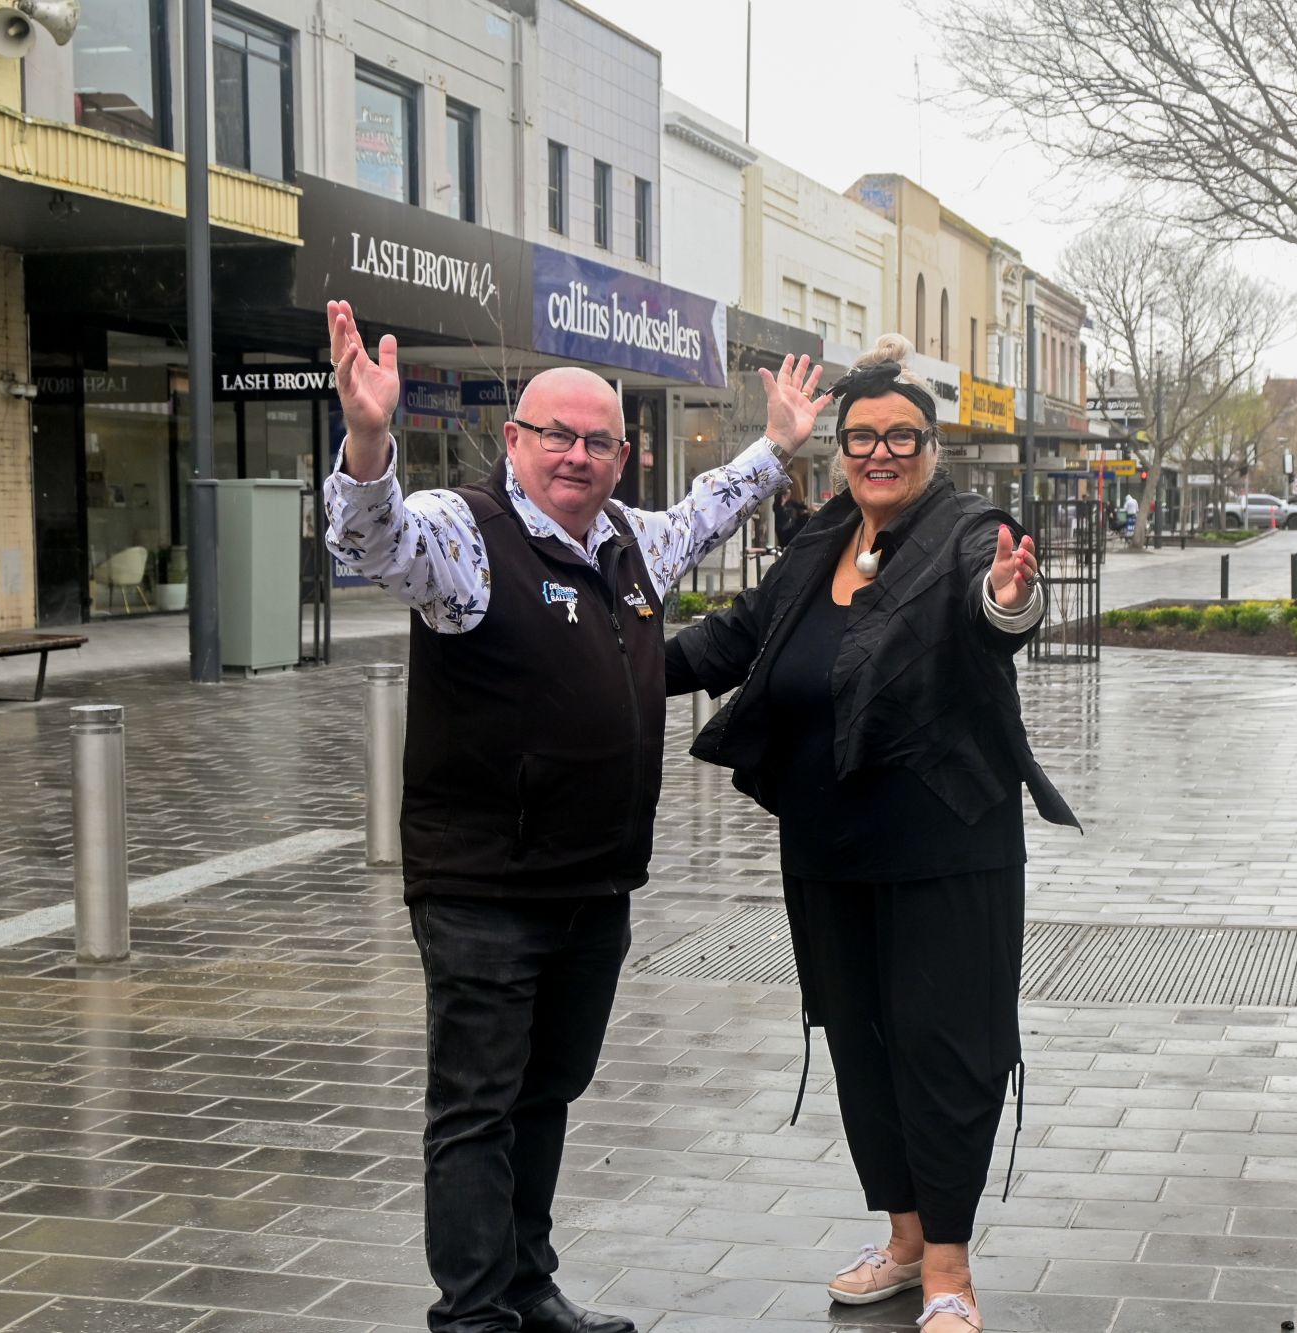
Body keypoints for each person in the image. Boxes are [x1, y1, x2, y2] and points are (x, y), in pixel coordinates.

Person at [322, 299, 828, 1333]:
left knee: (546, 1090)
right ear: (514, 440)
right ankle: (471, 1315)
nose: (577, 454)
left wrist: (774, 447)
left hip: (594, 884)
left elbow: (704, 508)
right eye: (555, 434)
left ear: (621, 456)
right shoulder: (467, 535)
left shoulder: (626, 544)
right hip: (484, 888)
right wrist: (368, 439)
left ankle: (524, 1283)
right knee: (475, 1107)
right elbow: (378, 542)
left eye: (598, 440)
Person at [666, 336, 1078, 1333]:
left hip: (945, 848)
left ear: (931, 443)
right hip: (826, 848)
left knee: (945, 1049)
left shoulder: (971, 531)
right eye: (862, 437)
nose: (879, 452)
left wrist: (1010, 601)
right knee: (859, 1045)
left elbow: (998, 607)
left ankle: (949, 1270)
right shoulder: (818, 540)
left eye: (900, 435)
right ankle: (901, 1240)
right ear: (840, 448)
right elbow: (736, 637)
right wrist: (607, 664)